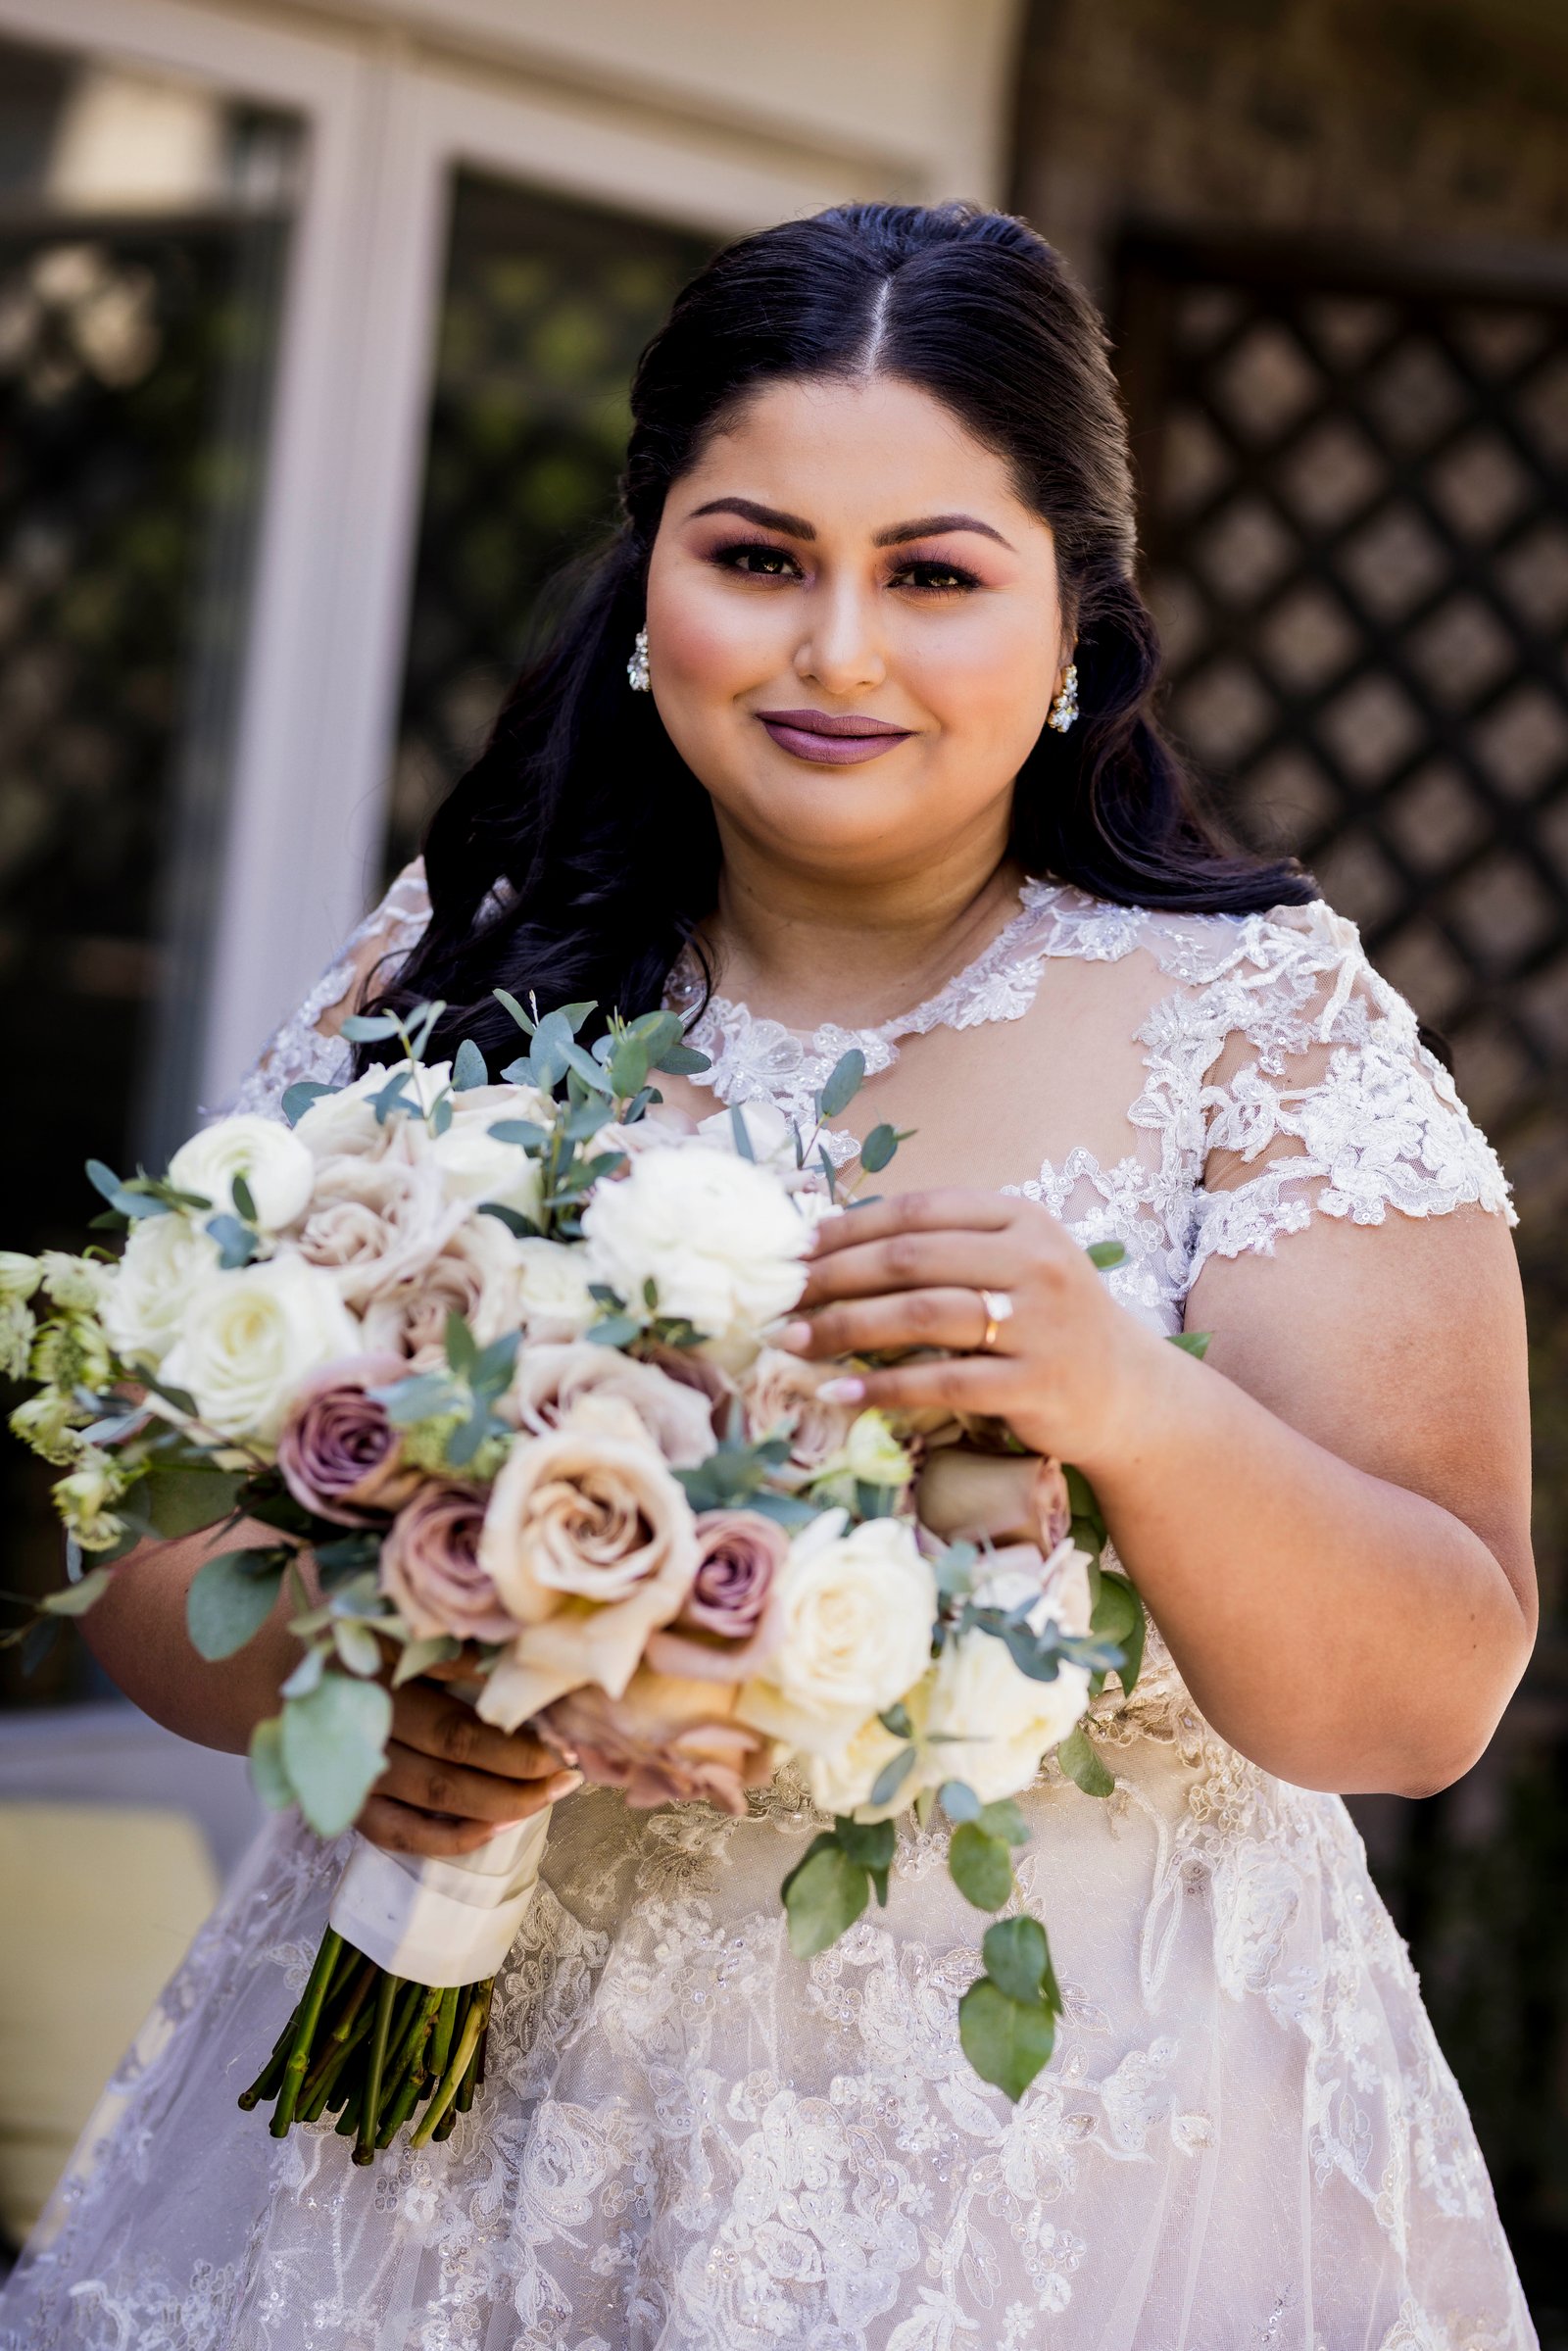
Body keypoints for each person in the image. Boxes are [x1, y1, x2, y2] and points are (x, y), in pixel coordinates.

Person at [0, 202, 1536, 2350]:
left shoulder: (1259, 1030)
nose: (835, 651)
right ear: (650, 579)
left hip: (1067, 2178)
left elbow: (1424, 1695)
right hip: (451, 2152)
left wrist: (1129, 1400)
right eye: (756, 557)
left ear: (1076, 618)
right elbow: (161, 1578)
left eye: (932, 574)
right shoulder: (454, 971)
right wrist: (384, 1698)